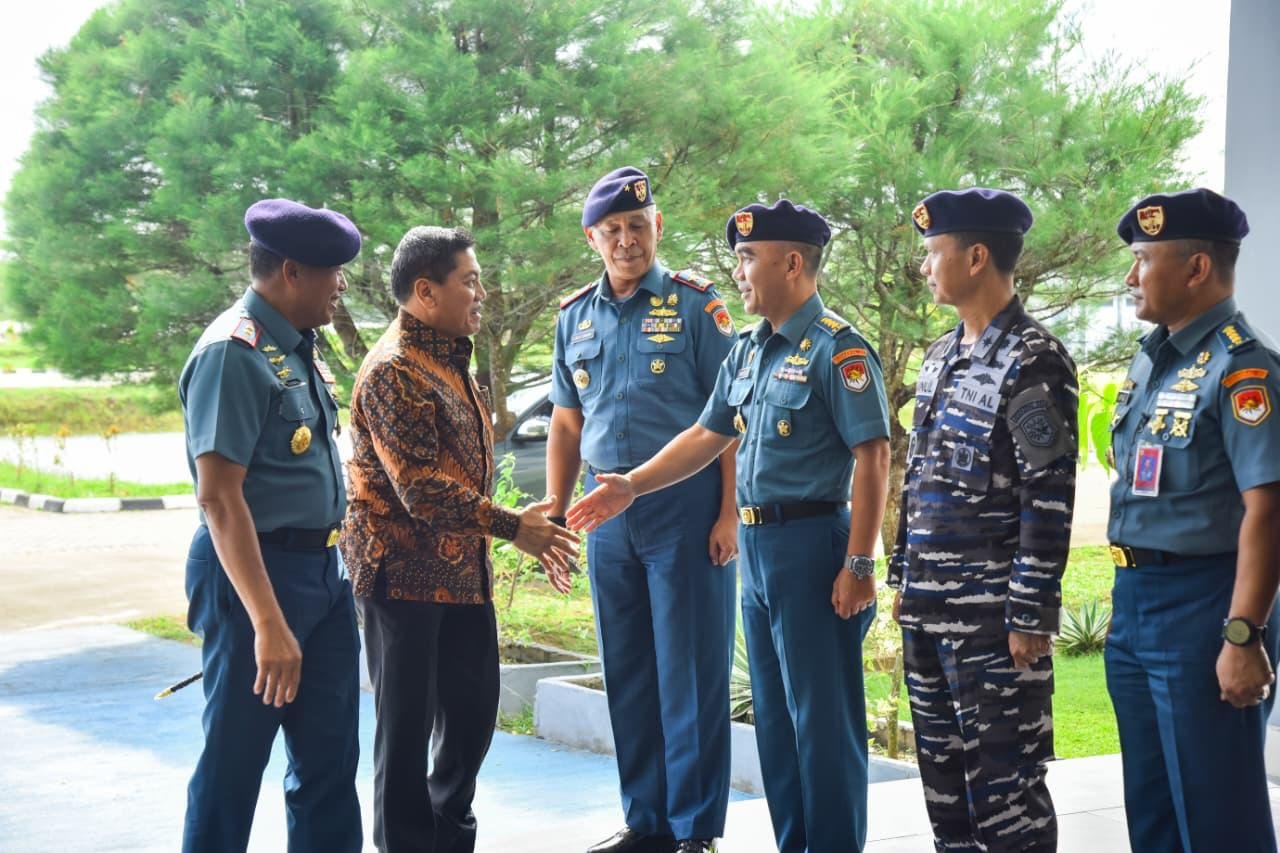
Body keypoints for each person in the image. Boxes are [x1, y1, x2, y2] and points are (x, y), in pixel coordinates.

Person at [569, 198, 891, 852]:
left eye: (748, 258)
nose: (738, 272)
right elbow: (705, 434)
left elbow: (874, 455)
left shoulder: (838, 348)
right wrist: (631, 484)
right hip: (759, 548)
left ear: (792, 263)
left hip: (813, 546)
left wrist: (859, 563)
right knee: (775, 723)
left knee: (822, 721)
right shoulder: (747, 350)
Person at [339, 225, 579, 853]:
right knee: (405, 739)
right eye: (470, 281)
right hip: (401, 582)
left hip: (464, 578)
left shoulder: (449, 357)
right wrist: (513, 526)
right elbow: (421, 489)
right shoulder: (394, 369)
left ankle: (448, 844)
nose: (482, 293)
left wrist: (516, 524)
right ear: (426, 291)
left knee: (470, 725)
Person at [545, 166, 740, 853]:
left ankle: (694, 829)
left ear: (657, 225)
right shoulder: (574, 317)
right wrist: (556, 511)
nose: (626, 240)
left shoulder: (696, 305)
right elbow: (566, 423)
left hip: (685, 509)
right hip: (606, 516)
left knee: (690, 669)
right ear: (592, 238)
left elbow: (730, 417)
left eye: (637, 226)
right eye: (612, 230)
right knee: (627, 670)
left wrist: (728, 512)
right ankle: (647, 820)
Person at [888, 188, 1078, 853]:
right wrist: (904, 579)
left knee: (1007, 798)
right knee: (946, 797)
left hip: (994, 624)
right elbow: (921, 477)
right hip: (928, 612)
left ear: (975, 257)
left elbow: (1048, 492)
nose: (923, 267)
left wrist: (1030, 612)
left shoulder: (1034, 358)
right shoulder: (940, 354)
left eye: (933, 252)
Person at [179, 198, 364, 852]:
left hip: (322, 573)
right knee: (234, 762)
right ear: (292, 272)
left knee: (329, 762)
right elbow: (219, 498)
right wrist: (267, 621)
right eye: (333, 271)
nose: (342, 284)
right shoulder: (233, 353)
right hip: (254, 578)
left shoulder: (296, 346)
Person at [1105, 187, 1280, 853]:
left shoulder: (1243, 367)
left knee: (1218, 816)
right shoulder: (1153, 357)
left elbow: (1269, 508)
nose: (1131, 277)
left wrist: (1243, 634)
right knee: (1152, 811)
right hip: (1135, 602)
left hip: (1204, 606)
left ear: (1197, 268)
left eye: (1144, 260)